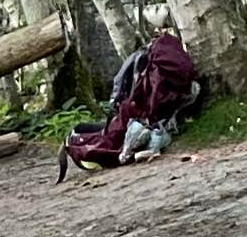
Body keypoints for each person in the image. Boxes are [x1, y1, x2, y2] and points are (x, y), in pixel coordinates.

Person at [59, 24, 204, 178]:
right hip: (159, 112)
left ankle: (81, 143)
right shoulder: (166, 60)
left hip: (142, 115)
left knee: (114, 134)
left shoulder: (149, 63)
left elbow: (121, 92)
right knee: (121, 129)